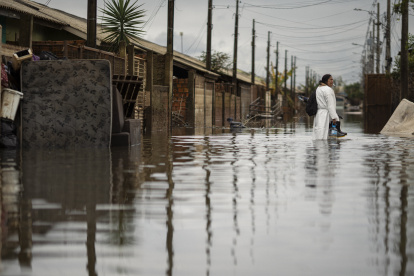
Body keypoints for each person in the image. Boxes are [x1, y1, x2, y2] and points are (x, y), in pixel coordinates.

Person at [312, 74, 346, 140]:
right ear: (326, 81)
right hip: (326, 115)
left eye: (332, 79)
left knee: (319, 133)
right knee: (326, 135)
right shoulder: (328, 90)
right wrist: (334, 117)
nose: (332, 81)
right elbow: (330, 105)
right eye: (330, 79)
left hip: (319, 114)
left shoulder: (319, 89)